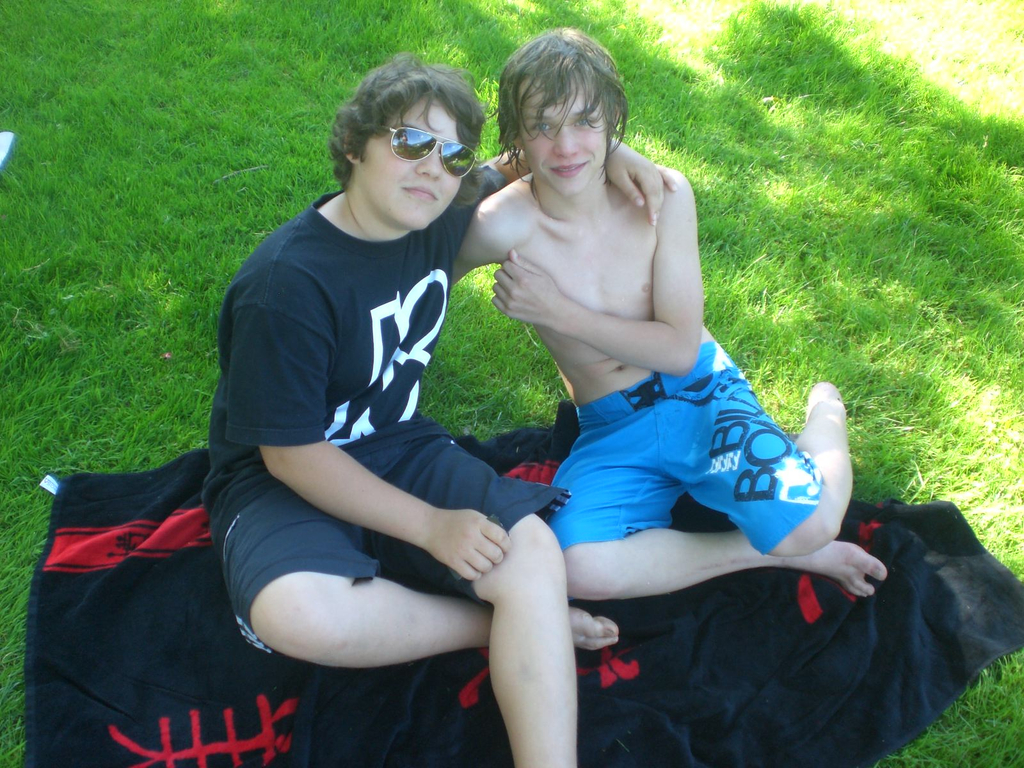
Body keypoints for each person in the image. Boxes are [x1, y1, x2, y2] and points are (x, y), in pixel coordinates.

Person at [201, 53, 669, 768]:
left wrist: (619, 153)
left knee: (530, 552)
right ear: (353, 144)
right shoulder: (285, 287)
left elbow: (536, 154)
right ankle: (492, 625)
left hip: (398, 444)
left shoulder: (442, 212)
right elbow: (291, 456)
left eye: (452, 156)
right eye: (410, 142)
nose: (431, 167)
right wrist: (430, 527)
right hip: (280, 477)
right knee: (295, 613)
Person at [455, 29, 889, 604]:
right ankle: (765, 552)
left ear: (613, 118)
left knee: (812, 524)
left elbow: (681, 350)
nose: (566, 146)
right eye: (543, 125)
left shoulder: (662, 198)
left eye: (586, 121)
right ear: (516, 135)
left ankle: (824, 420)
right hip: (613, 426)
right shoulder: (502, 225)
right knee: (576, 567)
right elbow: (419, 257)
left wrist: (556, 310)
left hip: (702, 394)